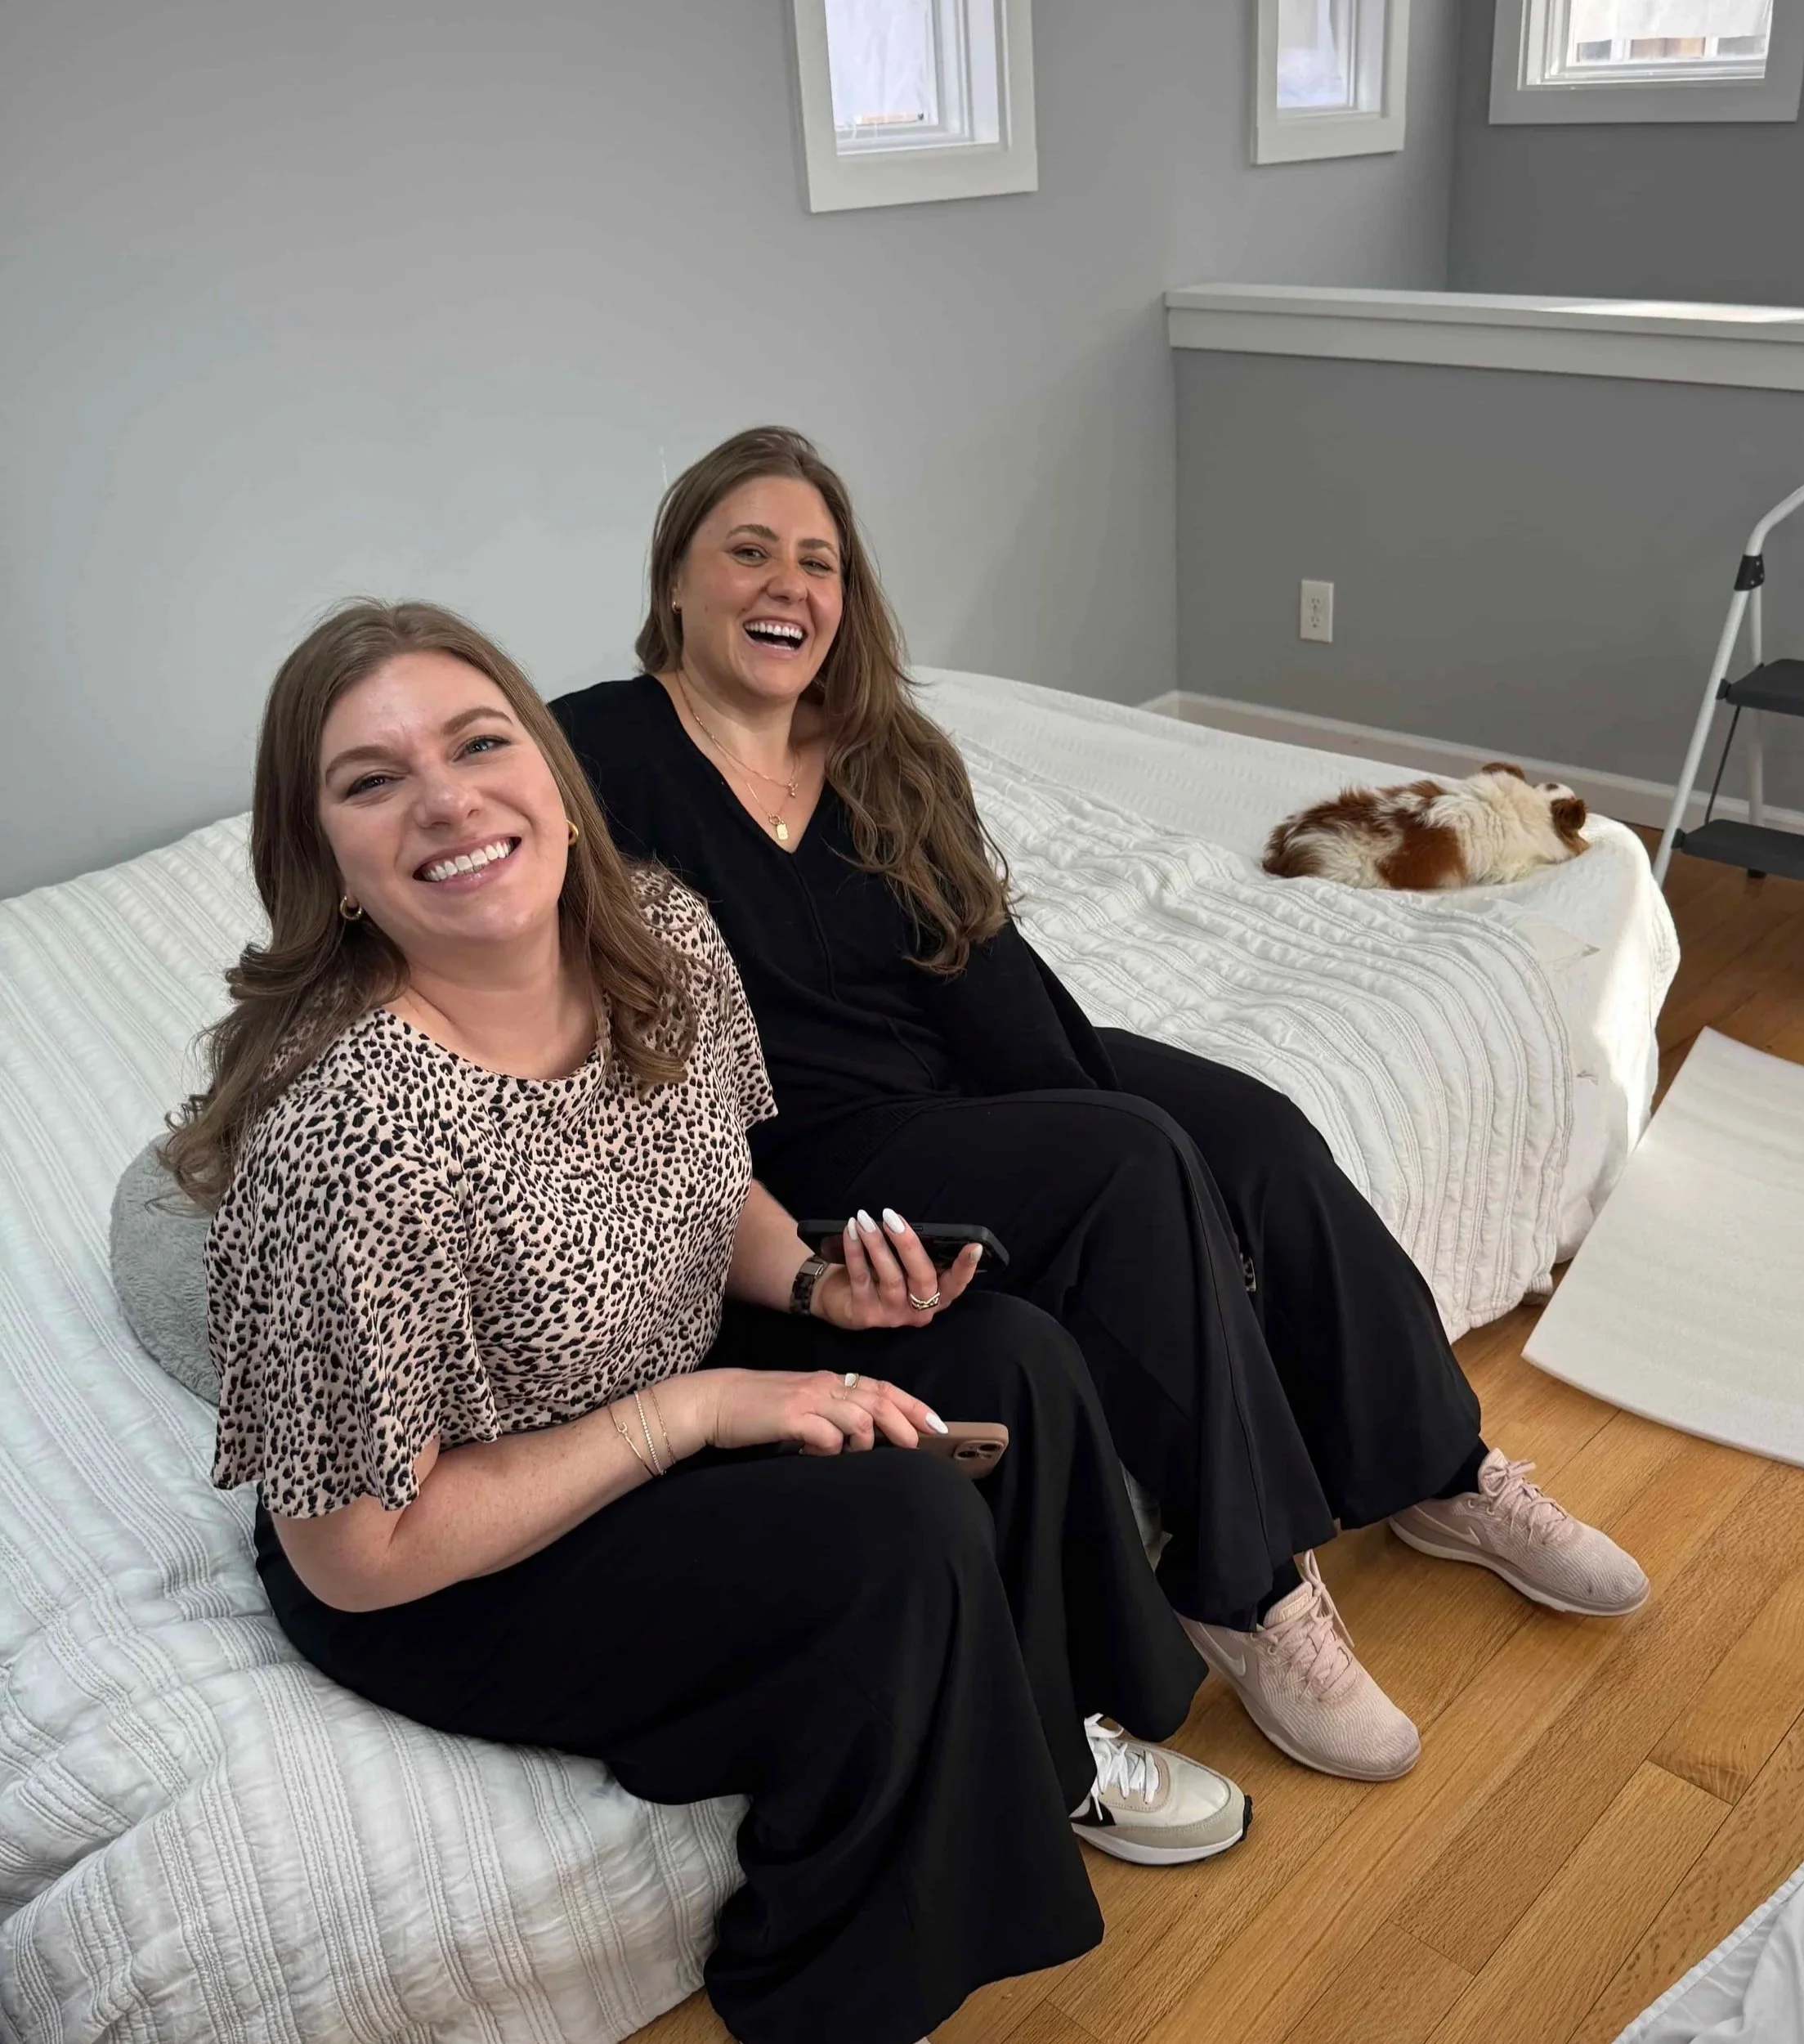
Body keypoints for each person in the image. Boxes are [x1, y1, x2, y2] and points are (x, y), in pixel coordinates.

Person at [167, 600, 1247, 2044]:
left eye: (482, 743)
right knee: (897, 1533)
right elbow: (361, 1557)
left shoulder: (655, 931)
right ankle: (831, 1991)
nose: (447, 798)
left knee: (1010, 1361)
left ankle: (1044, 1745)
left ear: (552, 775)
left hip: (652, 1376)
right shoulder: (351, 1138)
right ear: (330, 865)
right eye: (373, 780)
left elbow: (711, 1172)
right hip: (459, 1549)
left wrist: (811, 1283)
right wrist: (690, 1416)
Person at [550, 428, 1653, 1788]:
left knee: (1253, 1128)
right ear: (676, 581)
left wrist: (1117, 1130)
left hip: (954, 1077)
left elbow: (983, 966)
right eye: (750, 550)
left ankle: (1439, 1466)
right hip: (808, 1141)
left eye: (819, 560)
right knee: (1128, 1157)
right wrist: (1116, 1156)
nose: (789, 583)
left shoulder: (885, 752)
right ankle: (1245, 1587)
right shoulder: (591, 757)